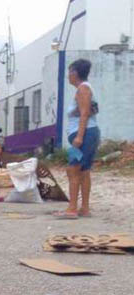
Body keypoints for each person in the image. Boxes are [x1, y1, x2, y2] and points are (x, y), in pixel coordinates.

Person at [55, 58, 100, 219]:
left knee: (73, 170)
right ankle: (84, 208)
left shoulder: (83, 89)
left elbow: (84, 114)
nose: (68, 75)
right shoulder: (85, 88)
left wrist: (79, 137)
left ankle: (72, 208)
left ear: (75, 73)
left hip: (85, 134)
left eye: (70, 72)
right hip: (88, 134)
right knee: (84, 171)